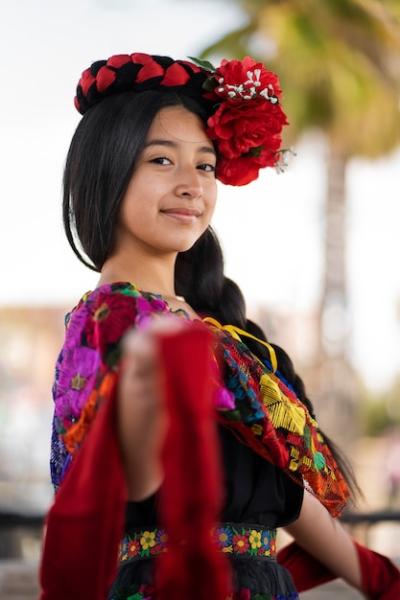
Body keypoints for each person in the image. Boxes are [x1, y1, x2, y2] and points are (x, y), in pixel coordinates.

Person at [39, 52, 400, 600]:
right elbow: (133, 483)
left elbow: (282, 494)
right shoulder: (106, 322)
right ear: (105, 171)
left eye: (205, 165)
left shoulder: (230, 331)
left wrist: (376, 577)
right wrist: (145, 394)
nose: (192, 185)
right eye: (162, 161)